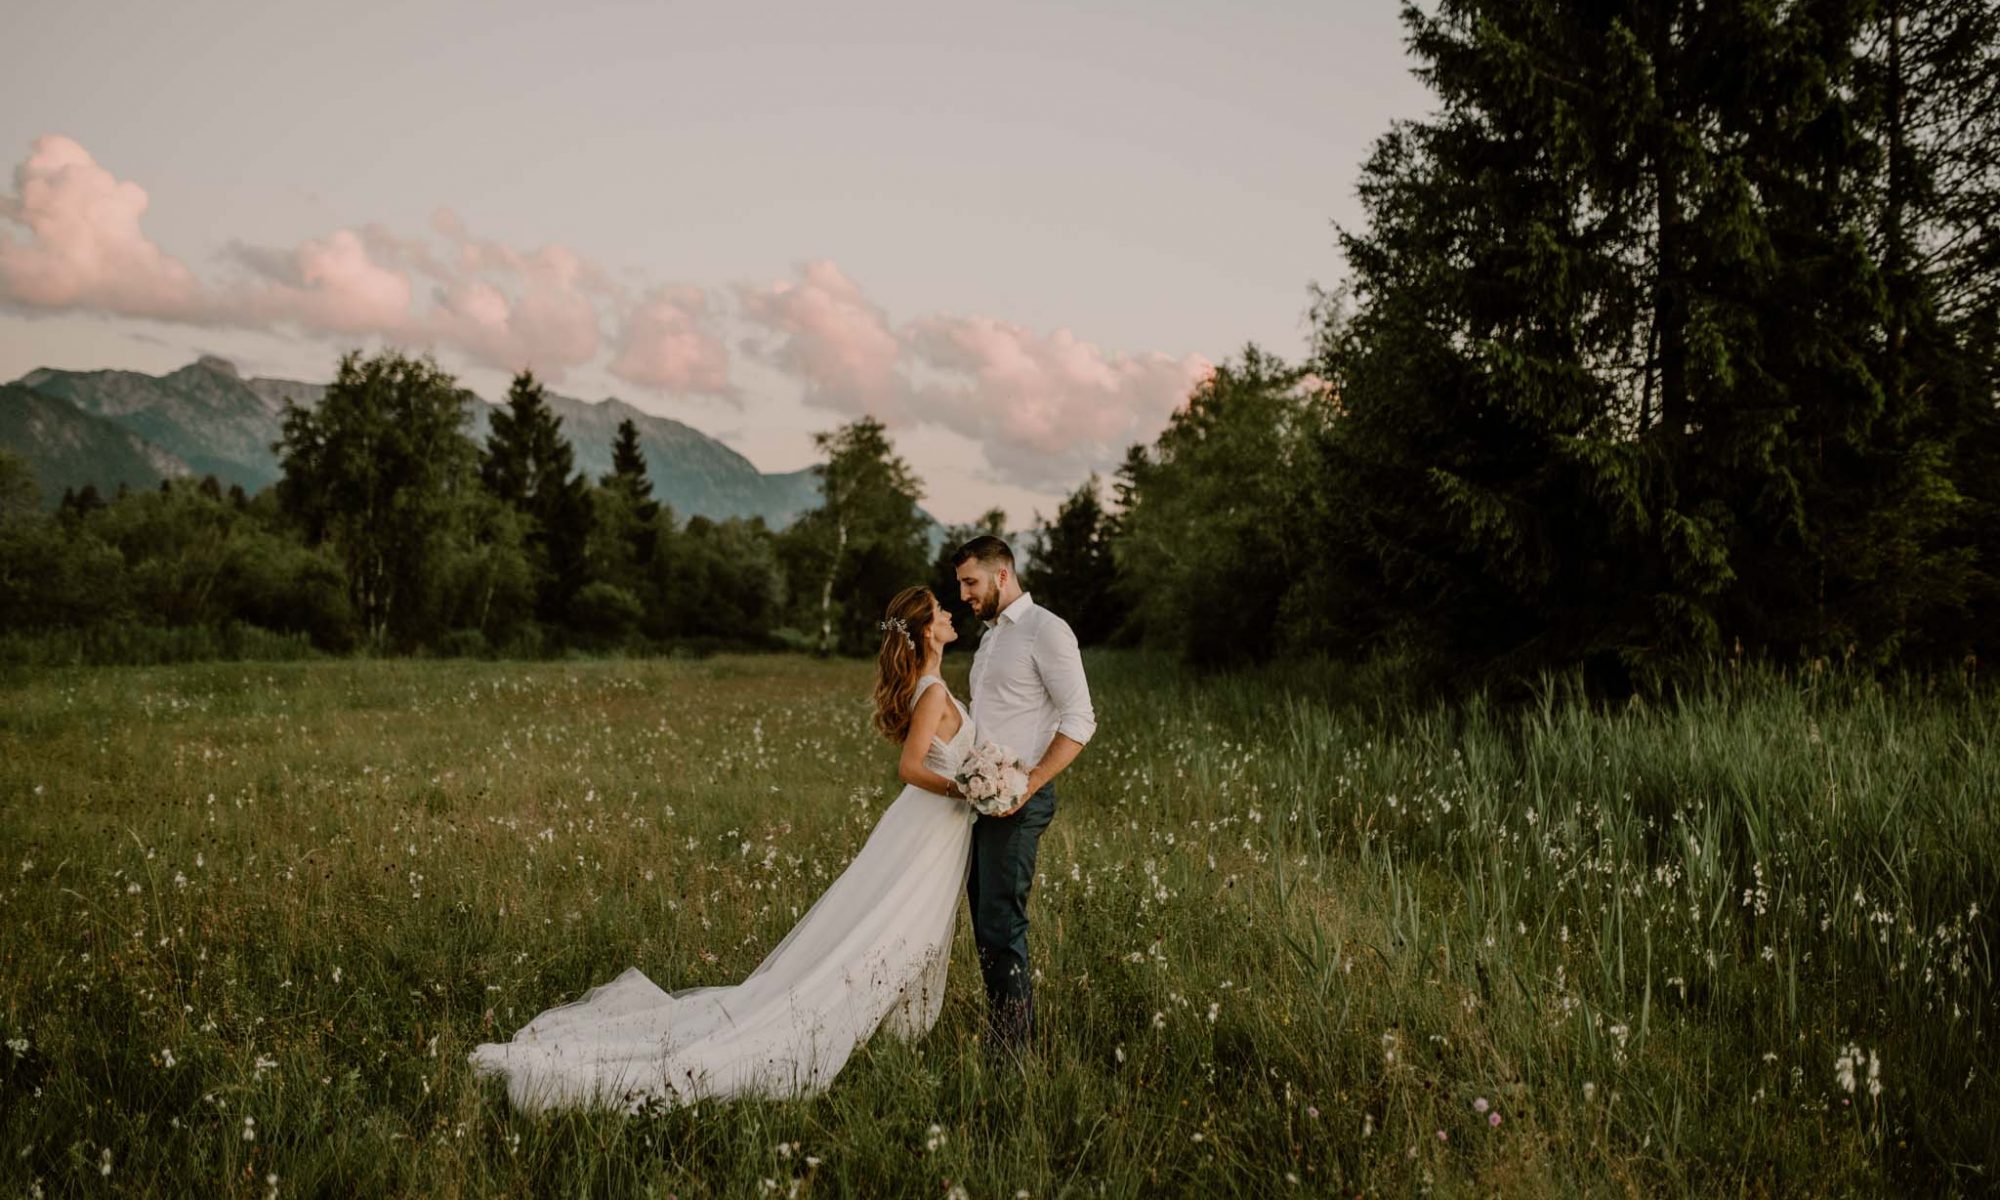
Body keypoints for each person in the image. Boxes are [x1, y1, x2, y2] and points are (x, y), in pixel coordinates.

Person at [467, 586, 981, 1113]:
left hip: (929, 831)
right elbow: (912, 768)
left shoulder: (931, 686)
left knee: (896, 930)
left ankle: (887, 1031)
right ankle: (840, 1026)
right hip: (929, 826)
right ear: (924, 631)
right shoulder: (934, 692)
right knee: (891, 931)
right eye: (941, 610)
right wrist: (969, 787)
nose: (949, 612)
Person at [953, 535, 1096, 1056]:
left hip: (1020, 802)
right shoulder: (991, 639)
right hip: (980, 800)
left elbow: (1081, 719)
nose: (965, 595)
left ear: (1002, 575)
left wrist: (1028, 784)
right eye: (962, 585)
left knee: (1002, 924)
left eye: (971, 583)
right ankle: (1004, 1031)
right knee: (985, 923)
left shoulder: (1047, 631)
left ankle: (1012, 1051)